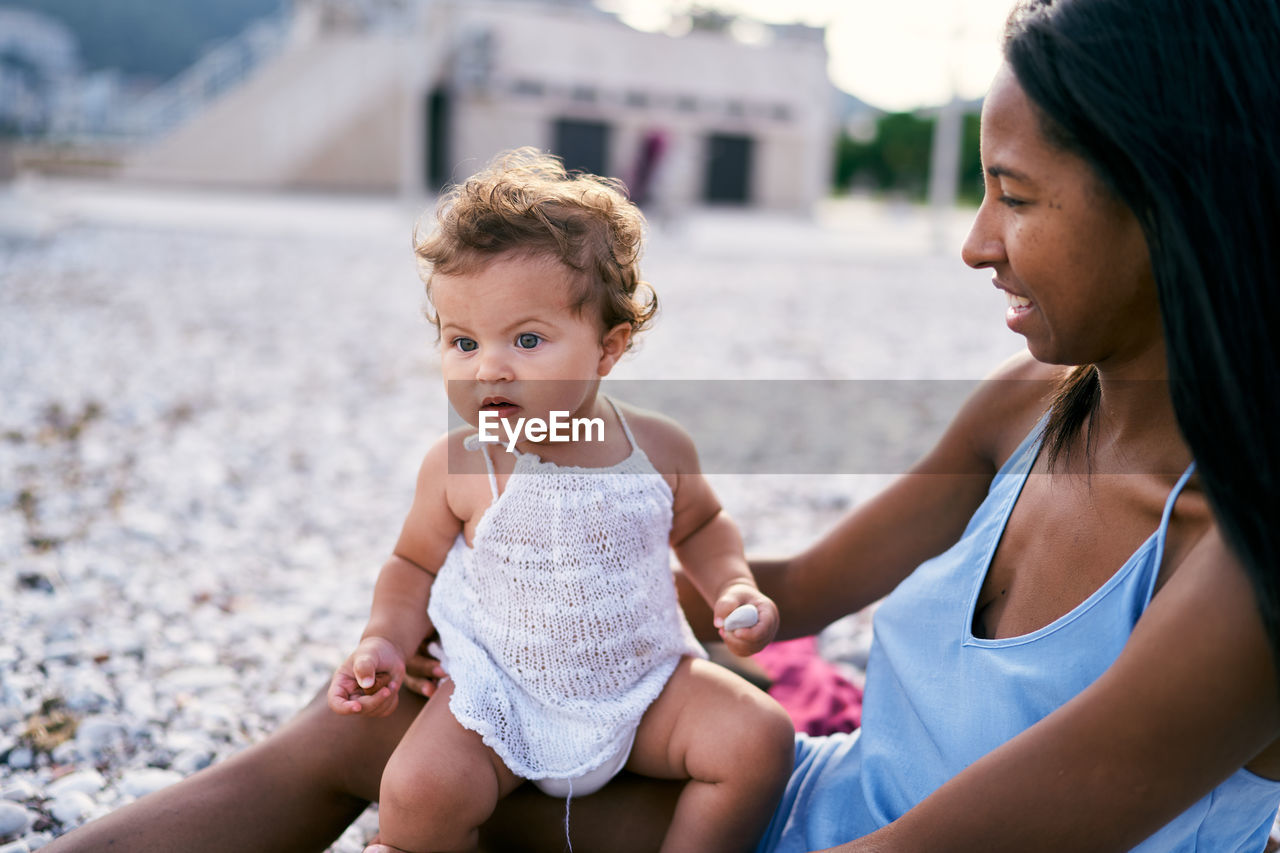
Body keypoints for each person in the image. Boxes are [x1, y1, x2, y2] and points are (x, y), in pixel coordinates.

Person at [44, 0, 1280, 850]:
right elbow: (769, 590)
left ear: (1179, 203)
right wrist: (527, 603)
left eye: (1011, 196)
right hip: (800, 811)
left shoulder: (1245, 559)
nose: (973, 242)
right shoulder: (1026, 413)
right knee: (370, 729)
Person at [323, 147, 792, 853]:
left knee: (760, 737)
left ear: (608, 348)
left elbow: (702, 524)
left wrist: (730, 585)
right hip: (499, 694)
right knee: (417, 790)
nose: (489, 367)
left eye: (529, 338)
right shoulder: (460, 463)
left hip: (642, 686)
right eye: (463, 341)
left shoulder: (657, 448)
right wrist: (385, 636)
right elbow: (411, 564)